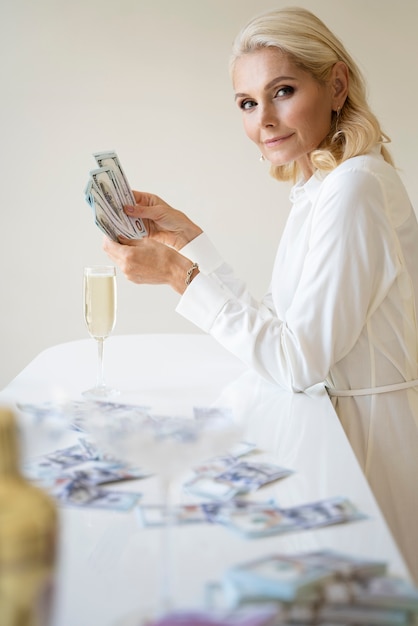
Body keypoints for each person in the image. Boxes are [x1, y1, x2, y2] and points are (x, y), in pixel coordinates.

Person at [104, 7, 418, 582]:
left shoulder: (354, 189)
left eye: (283, 91)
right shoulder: (324, 184)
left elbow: (297, 362)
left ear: (337, 85)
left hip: (368, 446)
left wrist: (179, 276)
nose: (264, 120)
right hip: (338, 427)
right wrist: (189, 238)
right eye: (248, 103)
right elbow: (281, 324)